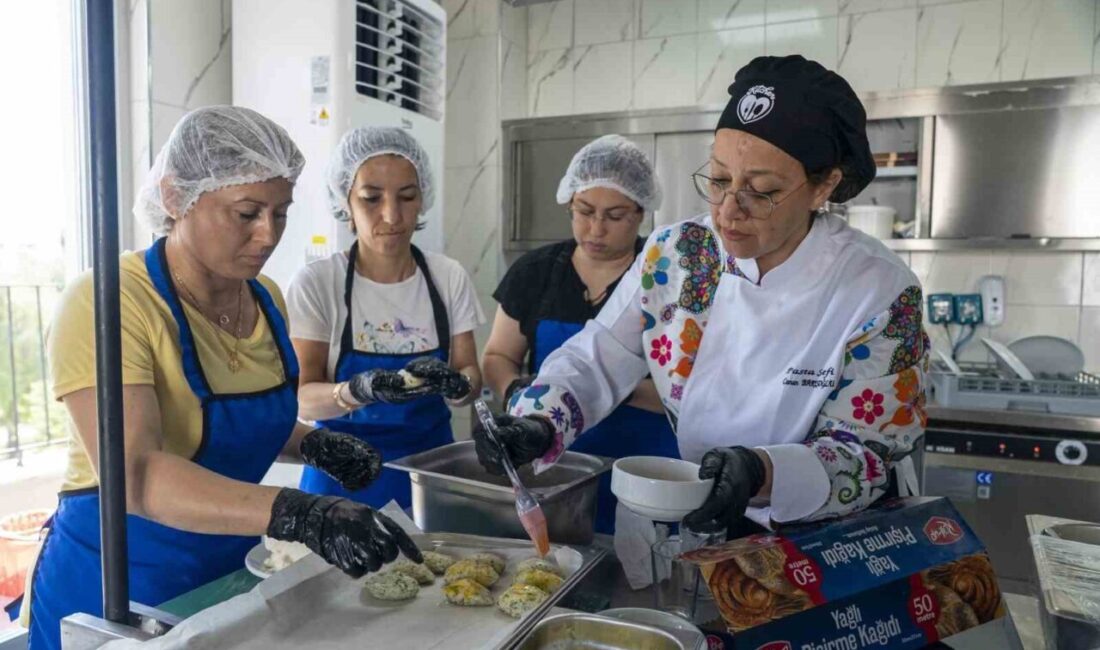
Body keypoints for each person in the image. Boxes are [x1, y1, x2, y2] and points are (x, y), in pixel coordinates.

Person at [474, 56, 930, 539]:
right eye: (717, 180)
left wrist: (763, 471)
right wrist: (540, 420)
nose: (728, 211)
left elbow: (871, 453)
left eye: (763, 191)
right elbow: (599, 355)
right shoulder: (678, 255)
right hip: (699, 523)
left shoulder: (878, 289)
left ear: (824, 187)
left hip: (824, 541)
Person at [20, 107, 420, 650]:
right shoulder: (110, 301)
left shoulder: (265, 299)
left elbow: (233, 425)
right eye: (247, 213)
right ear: (174, 198)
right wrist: (298, 510)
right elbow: (135, 475)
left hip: (228, 573)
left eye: (281, 213)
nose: (268, 234)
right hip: (118, 584)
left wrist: (316, 446)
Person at [482, 134, 677, 534]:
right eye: (584, 211)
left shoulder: (664, 279)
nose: (595, 228)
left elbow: (683, 391)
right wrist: (522, 402)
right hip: (559, 469)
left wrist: (581, 392)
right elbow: (498, 356)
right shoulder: (535, 272)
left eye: (615, 215)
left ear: (641, 213)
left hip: (646, 468)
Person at [288, 126, 484, 509]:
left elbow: (471, 378)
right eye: (371, 199)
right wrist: (356, 391)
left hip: (429, 475)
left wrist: (457, 385)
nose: (392, 216)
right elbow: (302, 399)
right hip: (339, 475)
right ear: (346, 202)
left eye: (407, 197)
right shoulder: (318, 283)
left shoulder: (448, 277)